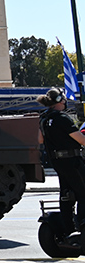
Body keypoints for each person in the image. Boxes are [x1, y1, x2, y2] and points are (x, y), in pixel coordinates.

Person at [37, 87, 85, 247]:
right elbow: (81, 140)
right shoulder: (62, 118)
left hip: (57, 162)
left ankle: (69, 230)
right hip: (72, 161)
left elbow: (40, 140)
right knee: (83, 193)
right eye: (63, 99)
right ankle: (83, 226)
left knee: (66, 195)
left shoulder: (44, 118)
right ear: (59, 101)